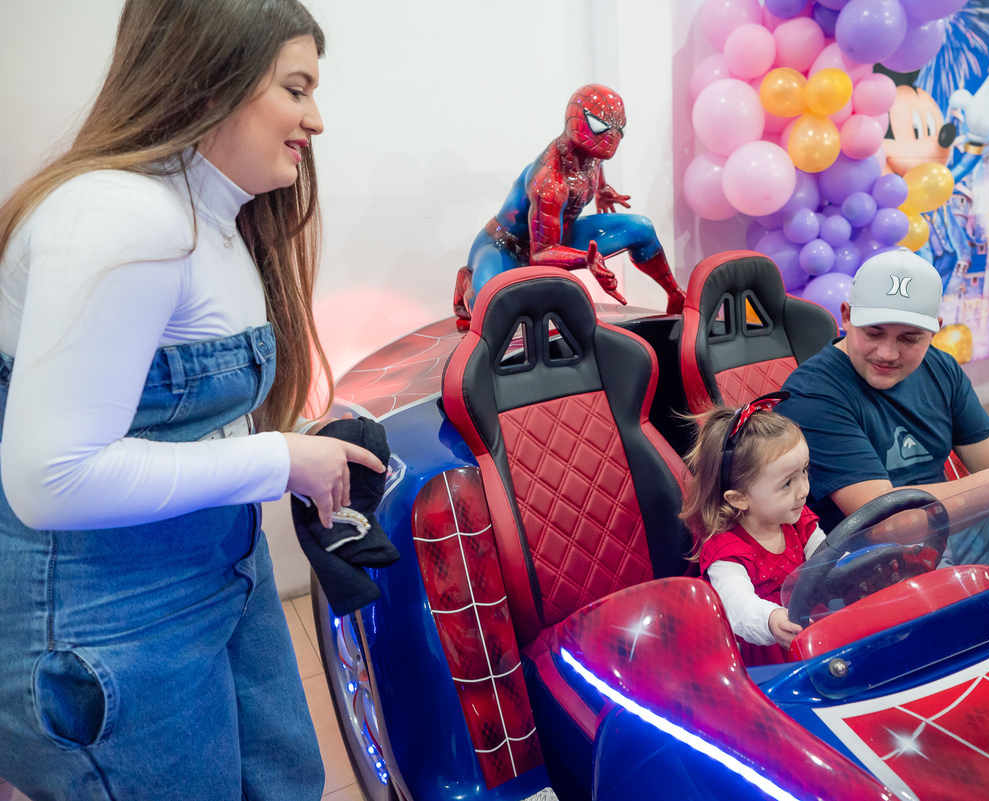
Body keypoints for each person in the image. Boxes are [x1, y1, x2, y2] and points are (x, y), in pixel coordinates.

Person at [0, 2, 384, 798]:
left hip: (220, 574)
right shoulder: (121, 218)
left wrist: (308, 444)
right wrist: (279, 458)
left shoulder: (213, 221)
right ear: (217, 74)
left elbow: (172, 414)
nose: (316, 119)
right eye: (297, 87)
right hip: (112, 627)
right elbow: (52, 478)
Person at [777, 249, 989, 568]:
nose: (887, 353)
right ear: (847, 316)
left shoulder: (941, 367)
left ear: (935, 328)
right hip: (866, 556)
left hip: (951, 525)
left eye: (909, 338)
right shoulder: (812, 394)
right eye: (873, 333)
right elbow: (882, 520)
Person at [452, 84, 685, 326]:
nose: (613, 136)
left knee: (641, 229)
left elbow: (595, 162)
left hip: (561, 234)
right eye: (601, 127)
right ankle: (467, 281)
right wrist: (586, 259)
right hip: (507, 245)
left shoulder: (590, 154)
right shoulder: (550, 181)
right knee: (486, 306)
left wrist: (603, 190)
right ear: (578, 121)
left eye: (620, 128)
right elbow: (540, 254)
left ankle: (675, 295)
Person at [681, 393, 826, 666]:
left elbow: (827, 558)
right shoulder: (727, 551)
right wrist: (771, 620)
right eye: (787, 484)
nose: (804, 489)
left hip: (812, 630)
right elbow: (738, 605)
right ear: (739, 498)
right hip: (764, 654)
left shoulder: (797, 520)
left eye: (804, 471)